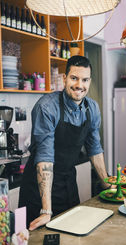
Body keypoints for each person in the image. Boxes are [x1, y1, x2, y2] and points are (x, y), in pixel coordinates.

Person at [19, 55, 110, 230]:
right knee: (38, 244)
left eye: (84, 80)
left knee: (71, 234)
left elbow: (94, 149)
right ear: (64, 78)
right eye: (74, 78)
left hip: (68, 182)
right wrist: (46, 209)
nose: (79, 85)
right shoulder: (47, 107)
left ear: (89, 81)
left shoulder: (92, 109)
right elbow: (45, 157)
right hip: (39, 188)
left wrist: (107, 185)